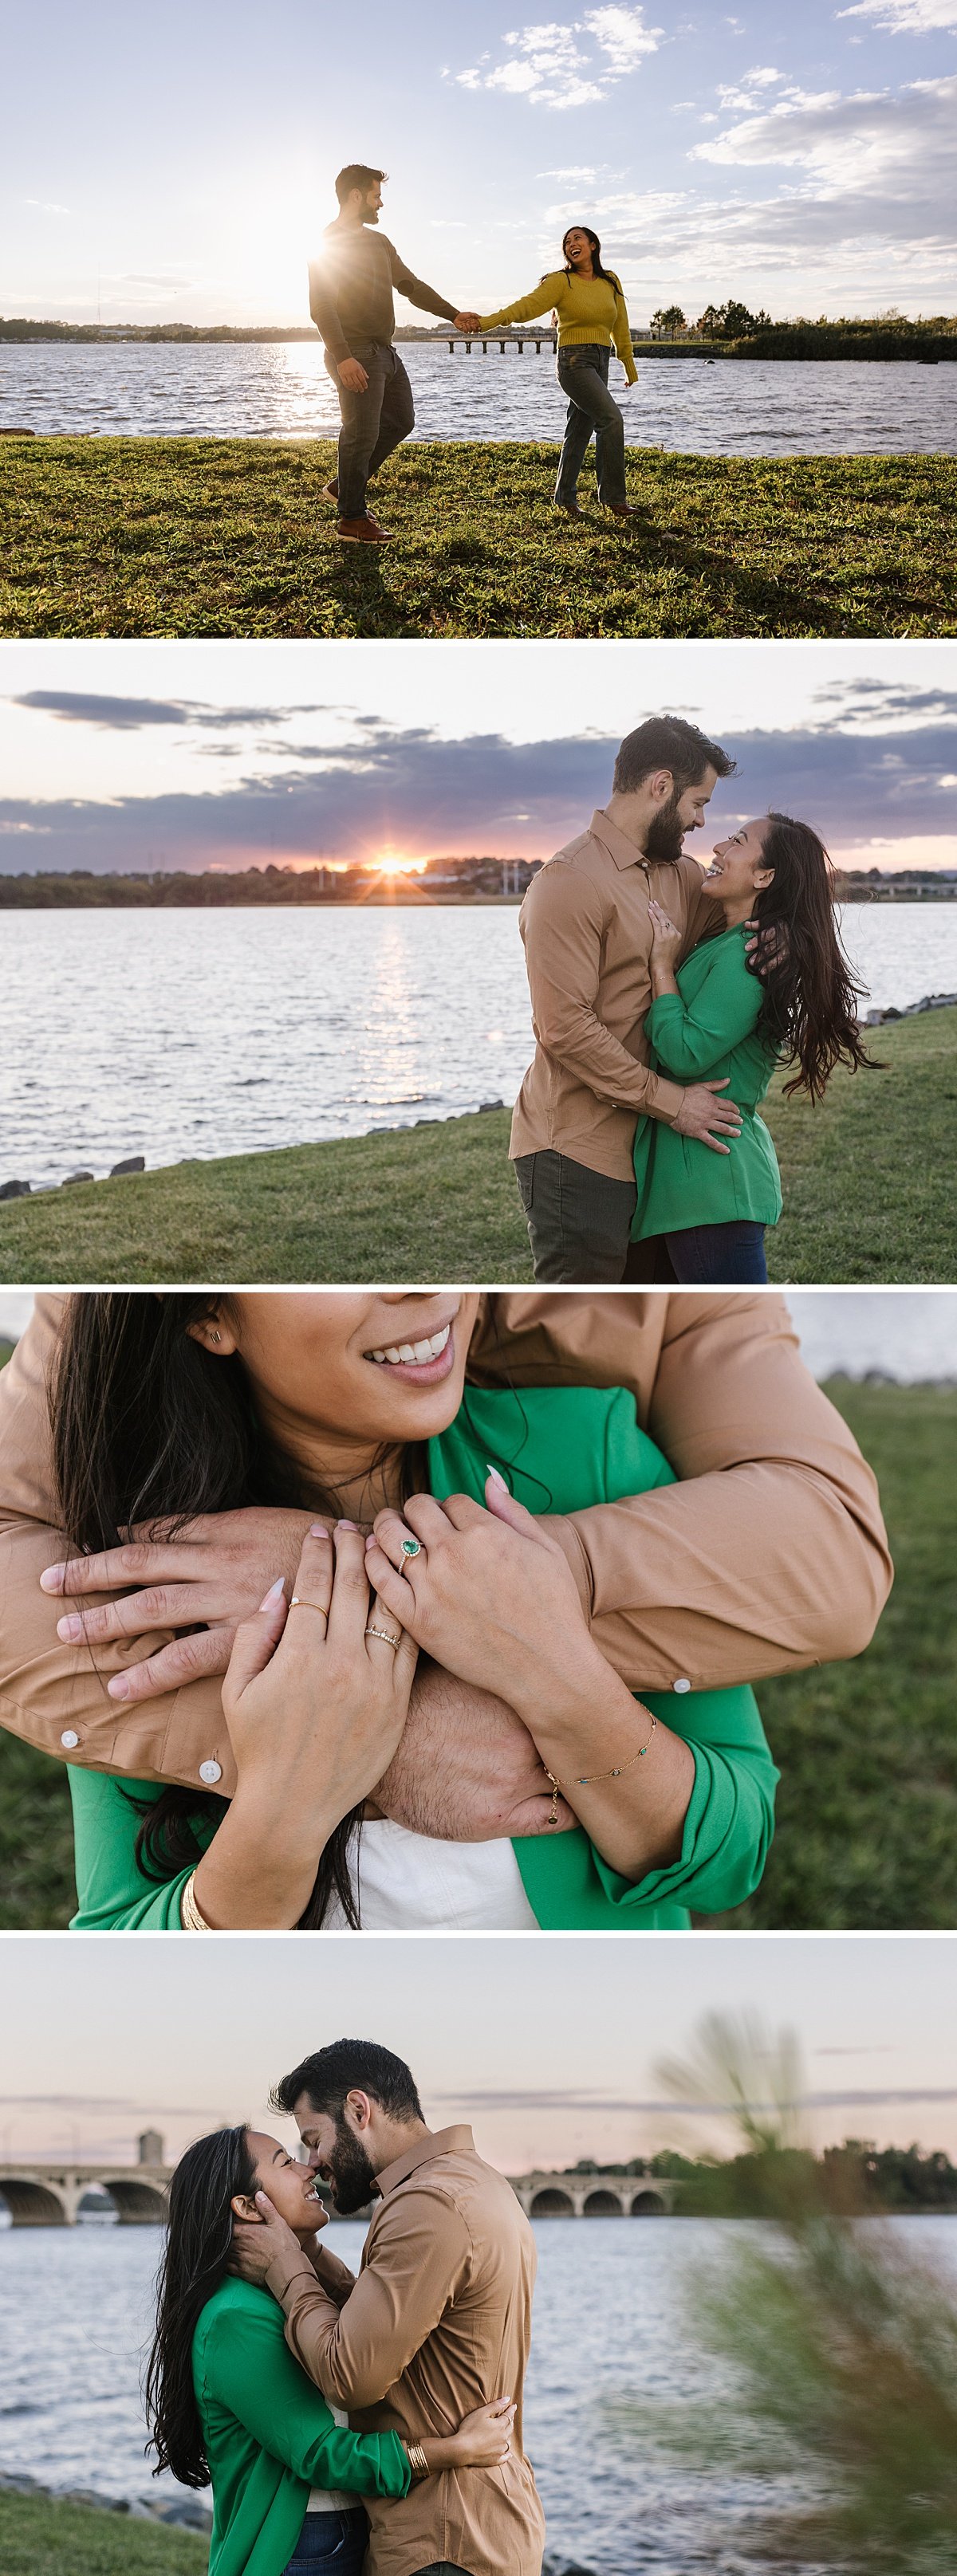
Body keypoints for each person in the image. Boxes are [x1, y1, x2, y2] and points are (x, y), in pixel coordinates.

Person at [0, 1292, 892, 1929]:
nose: (422, 1286)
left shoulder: (592, 1453)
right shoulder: (161, 1570)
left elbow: (732, 1855)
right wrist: (326, 1768)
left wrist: (550, 1669)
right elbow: (123, 1936)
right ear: (207, 1316)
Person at [144, 2112, 517, 2576]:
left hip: (337, 2536)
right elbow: (321, 2454)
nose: (310, 2168)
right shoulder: (237, 2316)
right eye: (286, 2162)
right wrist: (455, 2451)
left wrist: (302, 2255)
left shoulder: (279, 2291)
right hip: (300, 2548)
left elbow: (362, 2328)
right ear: (247, 2206)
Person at [230, 2039, 545, 2576]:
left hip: (442, 2539)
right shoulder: (474, 2183)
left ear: (359, 2109)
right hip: (480, 2524)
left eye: (313, 2140)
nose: (314, 2164)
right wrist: (310, 2254)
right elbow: (399, 2325)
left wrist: (285, 2265)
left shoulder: (426, 2204)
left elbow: (349, 2374)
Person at [510, 714, 746, 1281]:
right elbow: (565, 1028)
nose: (701, 820)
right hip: (577, 1151)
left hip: (653, 1152)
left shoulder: (683, 876)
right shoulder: (568, 882)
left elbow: (749, 912)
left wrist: (787, 939)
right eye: (698, 802)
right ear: (659, 786)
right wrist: (675, 1103)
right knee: (582, 1319)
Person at [631, 814, 876, 1284]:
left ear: (764, 877)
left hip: (711, 1183)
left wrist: (661, 967)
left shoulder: (747, 956)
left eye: (739, 841)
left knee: (726, 1338)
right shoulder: (733, 943)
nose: (720, 844)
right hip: (693, 1183)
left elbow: (685, 1052)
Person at [309, 165, 467, 547]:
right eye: (376, 194)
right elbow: (322, 306)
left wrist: (454, 315)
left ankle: (345, 486)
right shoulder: (327, 243)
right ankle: (352, 518)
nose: (381, 202)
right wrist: (343, 356)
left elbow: (412, 286)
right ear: (356, 196)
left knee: (400, 422)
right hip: (356, 351)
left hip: (385, 351)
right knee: (360, 434)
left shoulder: (380, 243)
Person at [461, 226, 641, 518]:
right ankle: (614, 499)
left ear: (593, 245)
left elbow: (620, 325)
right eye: (567, 241)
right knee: (611, 419)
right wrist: (488, 321)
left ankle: (565, 499)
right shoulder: (561, 282)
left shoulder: (610, 281)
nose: (571, 244)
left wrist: (627, 363)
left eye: (577, 238)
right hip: (574, 362)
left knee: (580, 428)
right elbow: (527, 307)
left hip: (600, 360)